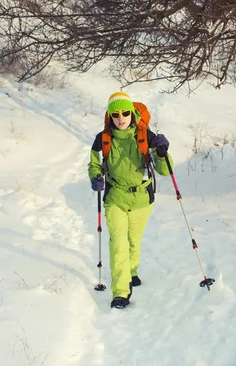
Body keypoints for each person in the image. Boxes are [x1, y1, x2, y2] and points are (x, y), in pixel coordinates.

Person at [88, 91, 172, 309]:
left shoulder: (147, 137)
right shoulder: (103, 139)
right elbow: (94, 164)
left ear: (132, 114)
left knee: (133, 241)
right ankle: (121, 291)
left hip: (142, 199)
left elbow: (164, 170)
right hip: (115, 197)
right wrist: (95, 177)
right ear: (110, 116)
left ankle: (131, 270)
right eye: (115, 114)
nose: (121, 118)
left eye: (125, 113)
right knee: (118, 243)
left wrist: (162, 152)